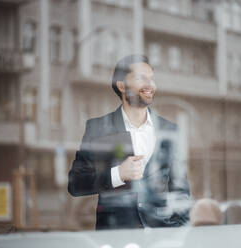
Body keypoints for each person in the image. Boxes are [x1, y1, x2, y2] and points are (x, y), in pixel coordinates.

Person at [68, 54, 191, 230]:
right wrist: (118, 174)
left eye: (152, 79)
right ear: (122, 85)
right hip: (118, 236)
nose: (150, 85)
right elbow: (75, 183)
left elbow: (181, 192)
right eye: (142, 78)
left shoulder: (170, 130)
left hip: (161, 239)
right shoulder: (99, 128)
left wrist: (177, 235)